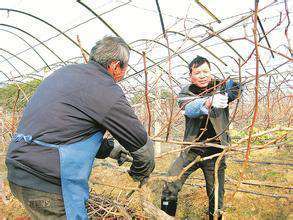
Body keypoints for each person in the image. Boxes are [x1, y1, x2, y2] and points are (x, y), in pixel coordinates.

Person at [5, 36, 155, 220]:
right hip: (48, 183)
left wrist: (110, 149)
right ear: (116, 66)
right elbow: (143, 148)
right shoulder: (106, 89)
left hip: (18, 172)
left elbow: (63, 132)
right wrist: (138, 172)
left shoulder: (63, 74)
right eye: (125, 67)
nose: (124, 73)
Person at [161, 56, 240, 219]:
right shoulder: (186, 91)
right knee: (170, 182)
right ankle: (165, 216)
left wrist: (232, 84)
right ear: (191, 76)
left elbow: (236, 89)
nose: (202, 75)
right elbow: (189, 108)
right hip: (193, 149)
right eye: (198, 72)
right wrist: (208, 102)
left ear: (211, 72)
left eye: (206, 71)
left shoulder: (220, 86)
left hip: (215, 152)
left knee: (216, 196)